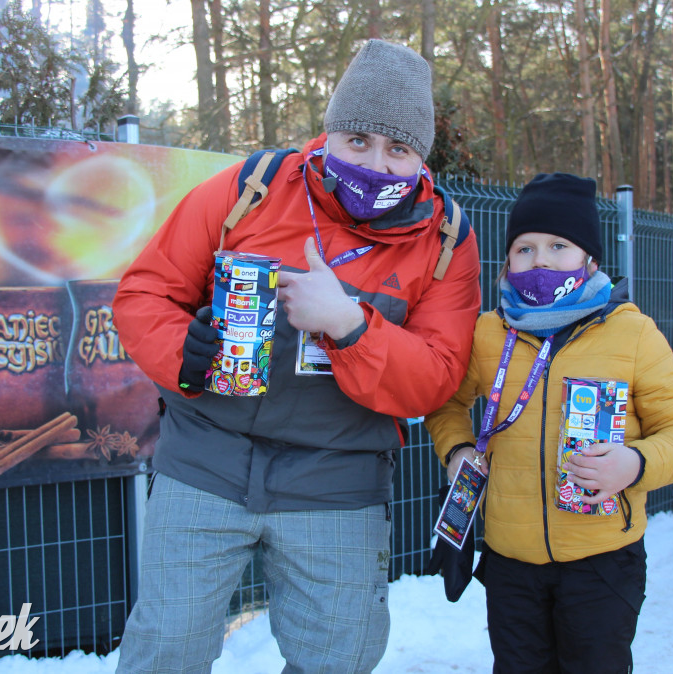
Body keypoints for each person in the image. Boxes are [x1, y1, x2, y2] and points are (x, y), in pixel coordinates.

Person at [112, 39, 481, 673]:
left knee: (339, 656)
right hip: (206, 457)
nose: (375, 163)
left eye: (398, 149)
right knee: (165, 648)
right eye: (358, 140)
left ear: (421, 157)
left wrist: (350, 327)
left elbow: (436, 379)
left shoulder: (446, 242)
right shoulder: (251, 188)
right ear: (331, 131)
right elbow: (146, 291)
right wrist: (184, 351)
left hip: (338, 482)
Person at [425, 172, 673, 674]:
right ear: (507, 260)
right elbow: (445, 403)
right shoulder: (488, 333)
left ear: (590, 260)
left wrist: (635, 463)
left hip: (602, 563)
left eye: (559, 246)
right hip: (510, 563)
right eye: (525, 248)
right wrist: (456, 450)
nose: (541, 261)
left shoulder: (633, 333)